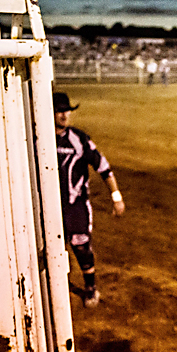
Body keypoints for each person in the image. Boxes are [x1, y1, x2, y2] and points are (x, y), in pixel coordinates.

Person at [54, 92, 125, 308]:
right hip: (49, 208)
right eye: (60, 111)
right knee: (51, 249)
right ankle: (53, 289)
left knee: (82, 247)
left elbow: (103, 167)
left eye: (67, 111)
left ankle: (90, 288)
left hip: (76, 208)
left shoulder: (79, 139)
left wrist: (116, 197)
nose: (65, 115)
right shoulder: (39, 139)